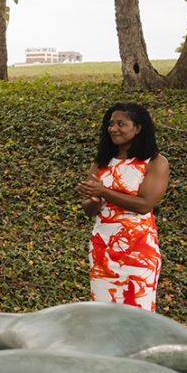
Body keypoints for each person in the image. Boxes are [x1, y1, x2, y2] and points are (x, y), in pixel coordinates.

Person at [77, 102, 169, 311]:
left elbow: (144, 205)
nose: (113, 128)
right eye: (110, 124)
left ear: (137, 128)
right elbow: (90, 210)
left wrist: (103, 192)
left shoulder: (155, 162)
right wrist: (91, 199)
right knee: (103, 314)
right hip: (103, 247)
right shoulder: (101, 163)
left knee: (138, 313)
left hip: (139, 250)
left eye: (121, 124)